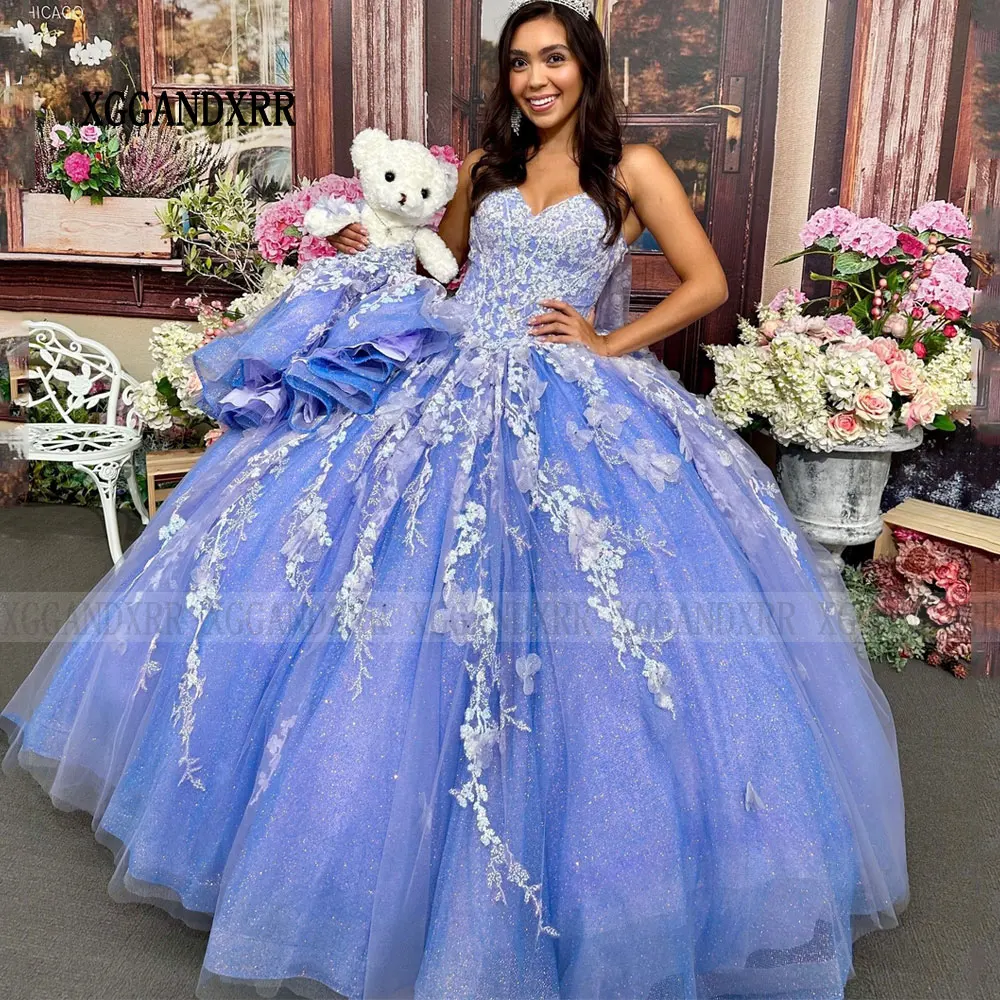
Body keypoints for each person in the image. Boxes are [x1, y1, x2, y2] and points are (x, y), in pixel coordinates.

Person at [2, 1, 908, 997]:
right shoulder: (483, 170)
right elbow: (453, 274)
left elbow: (706, 282)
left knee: (583, 636)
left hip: (569, 395)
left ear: (586, 67)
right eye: (519, 63)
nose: (535, 79)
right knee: (366, 594)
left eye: (553, 59)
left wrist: (605, 343)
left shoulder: (635, 168)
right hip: (446, 379)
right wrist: (368, 265)